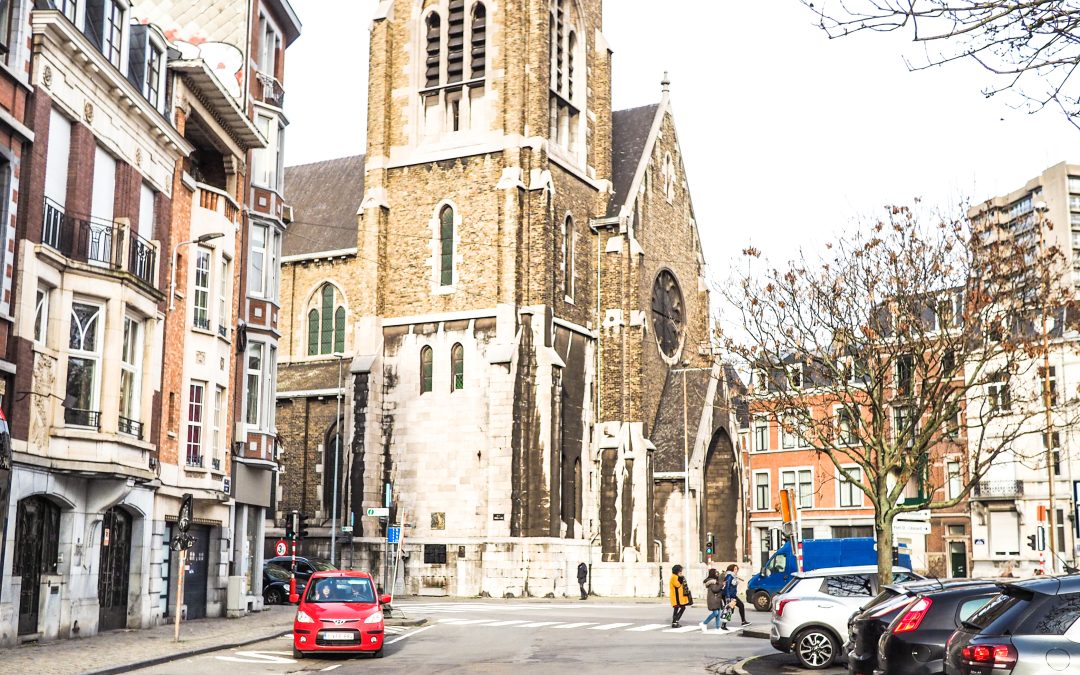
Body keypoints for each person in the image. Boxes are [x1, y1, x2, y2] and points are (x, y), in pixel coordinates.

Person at [719, 563, 750, 631]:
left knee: (740, 605)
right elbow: (727, 587)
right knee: (729, 610)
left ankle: (743, 621)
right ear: (731, 569)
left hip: (733, 595)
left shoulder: (734, 576)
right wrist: (728, 598)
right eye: (735, 569)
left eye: (737, 569)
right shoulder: (729, 576)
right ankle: (723, 625)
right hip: (728, 595)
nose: (736, 570)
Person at [700, 568, 724, 633]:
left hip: (716, 599)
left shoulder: (716, 581)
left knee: (718, 613)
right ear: (713, 573)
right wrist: (721, 584)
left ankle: (718, 627)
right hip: (713, 599)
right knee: (715, 613)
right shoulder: (712, 581)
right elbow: (715, 589)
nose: (717, 573)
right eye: (716, 572)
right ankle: (704, 623)